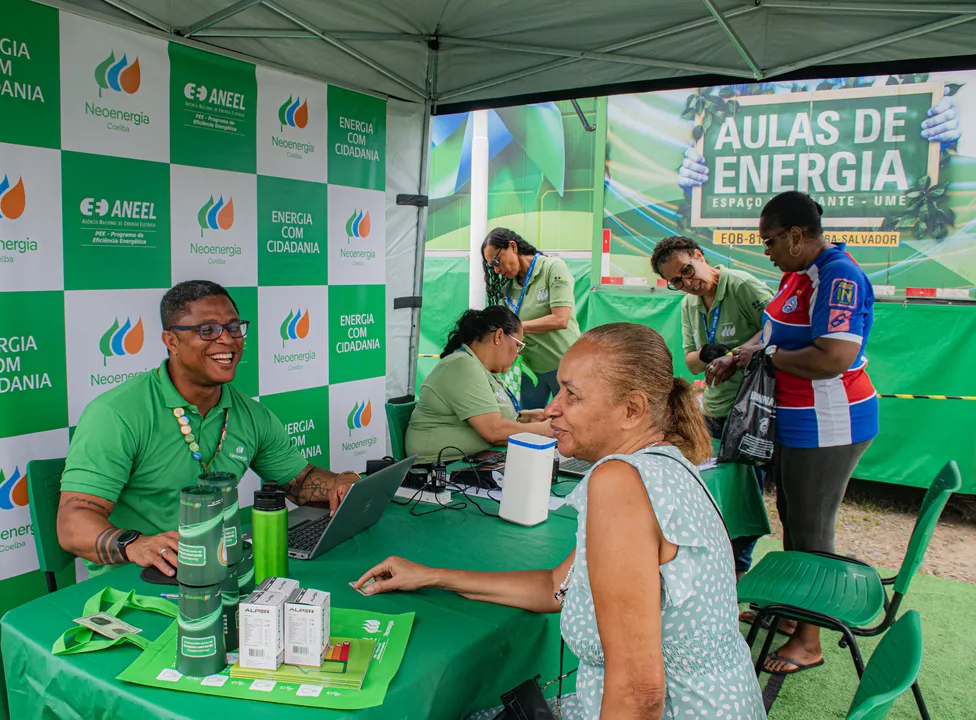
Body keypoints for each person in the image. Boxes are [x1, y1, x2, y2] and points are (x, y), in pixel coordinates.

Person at [356, 324, 767, 720]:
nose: (552, 407)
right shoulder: (666, 464)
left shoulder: (620, 481)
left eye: (571, 394)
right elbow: (558, 587)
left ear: (632, 409)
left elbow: (639, 694)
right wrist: (432, 576)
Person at [57, 280, 363, 578]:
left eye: (233, 327)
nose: (228, 340)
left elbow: (300, 481)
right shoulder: (116, 414)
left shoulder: (251, 414)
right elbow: (72, 524)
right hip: (140, 582)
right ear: (171, 341)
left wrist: (341, 485)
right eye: (208, 330)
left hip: (222, 572)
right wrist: (136, 544)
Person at [706, 191, 878, 675]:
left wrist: (769, 359)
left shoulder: (839, 277)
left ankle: (810, 639)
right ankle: (793, 612)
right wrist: (740, 354)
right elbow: (772, 333)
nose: (766, 250)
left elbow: (834, 357)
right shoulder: (797, 274)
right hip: (800, 419)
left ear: (796, 236)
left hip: (831, 422)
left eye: (770, 240)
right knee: (793, 515)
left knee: (811, 527)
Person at [650, 235, 773, 581]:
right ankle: (710, 566)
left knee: (745, 496)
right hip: (713, 412)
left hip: (748, 411)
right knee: (706, 492)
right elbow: (690, 363)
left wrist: (734, 355)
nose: (686, 283)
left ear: (700, 256)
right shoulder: (689, 305)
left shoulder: (743, 286)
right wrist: (708, 355)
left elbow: (777, 329)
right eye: (676, 281)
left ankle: (738, 572)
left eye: (687, 271)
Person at [406, 306, 553, 464]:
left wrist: (525, 417)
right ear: (499, 336)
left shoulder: (484, 370)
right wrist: (546, 430)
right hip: (440, 468)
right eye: (518, 345)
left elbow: (492, 416)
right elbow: (494, 431)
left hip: (471, 461)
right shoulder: (462, 365)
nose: (518, 353)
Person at [481, 228, 580, 409]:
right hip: (531, 369)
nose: (496, 270)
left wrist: (515, 328)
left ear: (513, 247)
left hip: (565, 365)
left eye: (497, 261)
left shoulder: (552, 268)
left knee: (570, 418)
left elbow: (560, 319)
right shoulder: (508, 290)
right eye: (491, 266)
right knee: (529, 420)